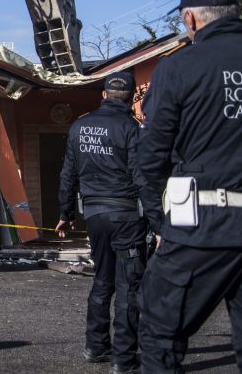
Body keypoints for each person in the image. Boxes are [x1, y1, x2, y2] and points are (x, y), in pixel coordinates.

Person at [137, 0, 242, 373]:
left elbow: (153, 154)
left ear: (190, 20)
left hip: (202, 225)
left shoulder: (179, 67)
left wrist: (161, 221)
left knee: (160, 332)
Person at [56, 71, 157, 374]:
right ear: (130, 99)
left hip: (95, 215)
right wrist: (158, 221)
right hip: (126, 216)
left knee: (103, 280)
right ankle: (123, 359)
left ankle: (96, 346)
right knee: (129, 286)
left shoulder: (79, 127)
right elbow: (143, 179)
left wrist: (65, 214)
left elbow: (67, 175)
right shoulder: (132, 129)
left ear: (103, 95)